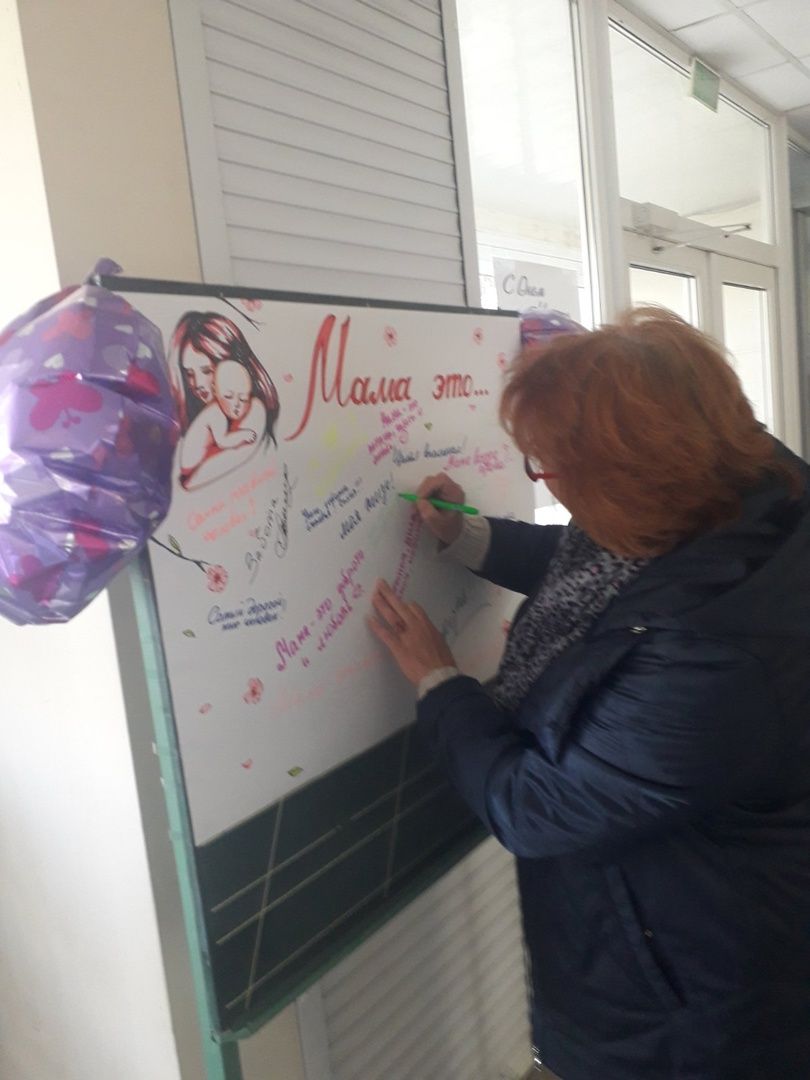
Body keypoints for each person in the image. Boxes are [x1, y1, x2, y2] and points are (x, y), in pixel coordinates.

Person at [369, 307, 810, 1080]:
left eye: (550, 466)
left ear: (628, 476)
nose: (547, 482)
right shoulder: (734, 493)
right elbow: (600, 562)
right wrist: (469, 537)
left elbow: (535, 807)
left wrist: (440, 682)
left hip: (687, 1006)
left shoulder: (713, 661)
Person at [169, 311, 280, 489]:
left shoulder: (253, 409)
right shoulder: (208, 414)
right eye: (189, 374)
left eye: (207, 371)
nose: (197, 384)